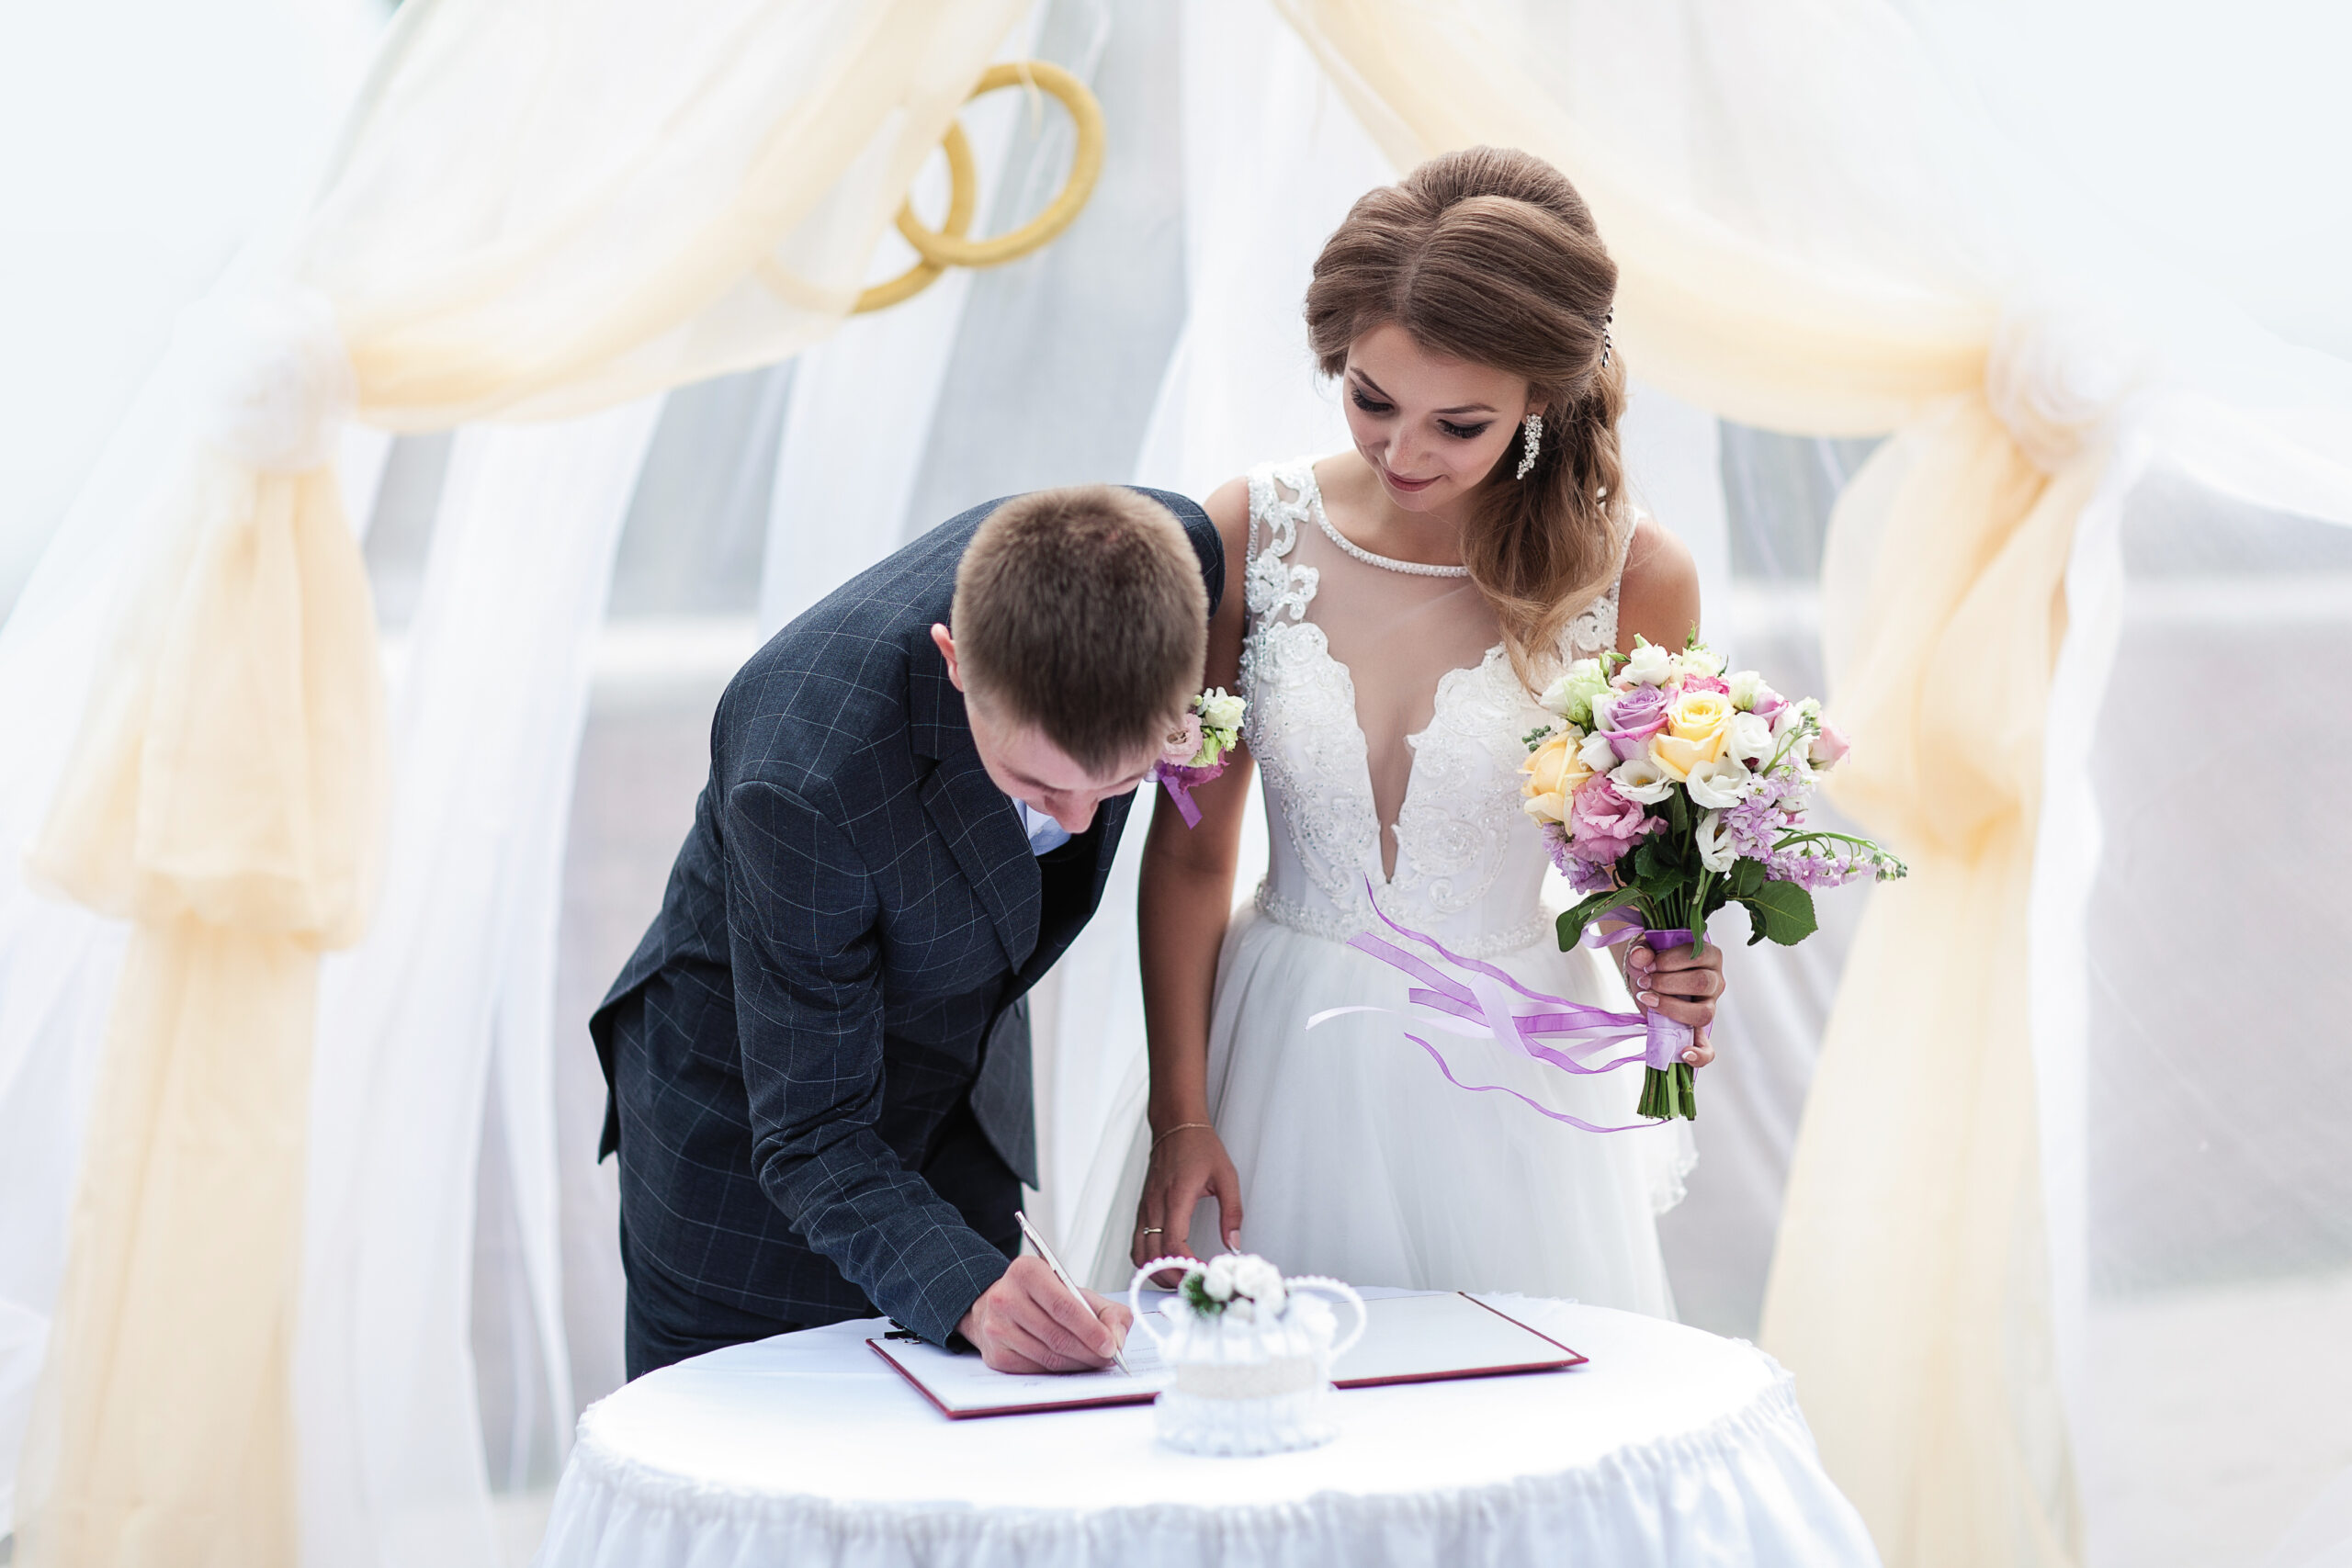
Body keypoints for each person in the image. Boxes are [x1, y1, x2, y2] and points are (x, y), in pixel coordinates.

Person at [1122, 148, 1725, 1313]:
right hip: (1275, 1048)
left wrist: (1666, 959)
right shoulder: (1246, 532)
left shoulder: (1638, 577)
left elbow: (1628, 864)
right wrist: (1181, 1112)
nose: (1403, 455)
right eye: (1369, 400)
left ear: (1541, 397)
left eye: (1458, 424)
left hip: (1508, 1076)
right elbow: (1194, 848)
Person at [594, 484, 1222, 1376]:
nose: (1077, 825)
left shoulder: (1172, 558)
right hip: (749, 1161)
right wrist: (963, 1285)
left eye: (1116, 785)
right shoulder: (804, 782)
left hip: (958, 1101)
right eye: (1038, 789)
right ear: (955, 662)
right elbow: (811, 1129)